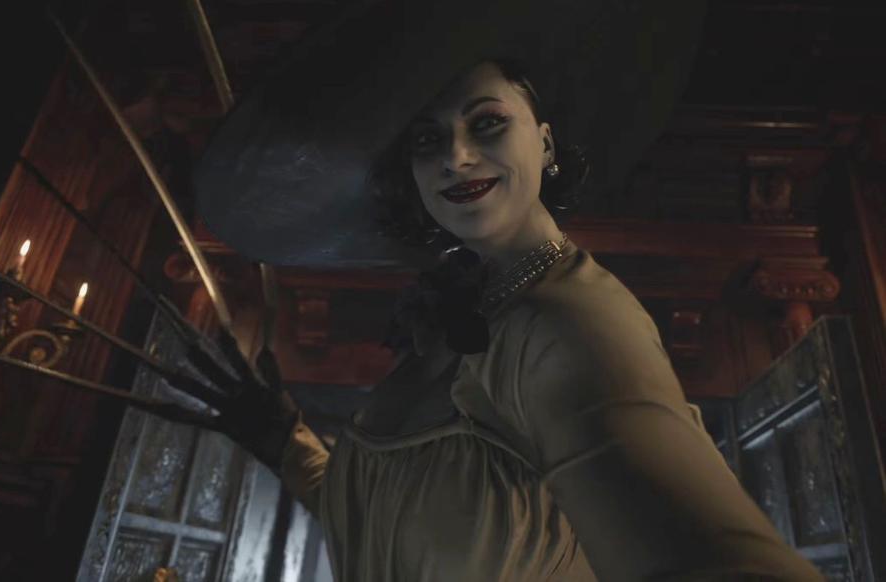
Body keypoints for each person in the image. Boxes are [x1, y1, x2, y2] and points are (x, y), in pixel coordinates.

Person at [193, 0, 825, 579]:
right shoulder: (459, 317)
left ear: (545, 144)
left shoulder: (567, 323)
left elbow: (708, 559)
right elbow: (395, 521)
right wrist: (287, 446)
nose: (457, 156)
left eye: (487, 122)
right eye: (427, 138)